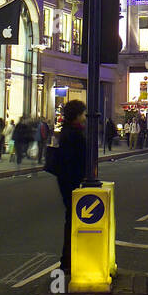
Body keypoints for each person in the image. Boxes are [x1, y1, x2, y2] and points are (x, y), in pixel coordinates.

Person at [54, 99, 88, 274]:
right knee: (73, 221)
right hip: (71, 183)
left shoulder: (69, 131)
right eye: (83, 113)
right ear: (76, 115)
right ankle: (67, 260)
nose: (85, 116)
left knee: (72, 220)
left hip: (68, 182)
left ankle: (68, 259)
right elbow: (73, 160)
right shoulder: (73, 134)